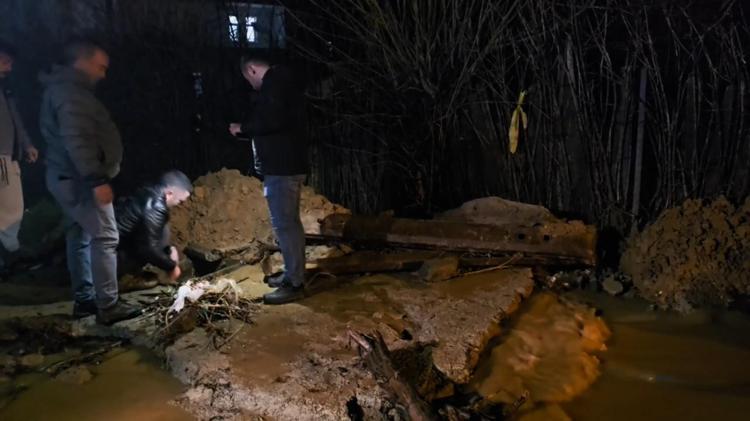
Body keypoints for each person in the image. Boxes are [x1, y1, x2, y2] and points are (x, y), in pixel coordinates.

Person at [40, 40, 140, 325]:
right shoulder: (71, 95)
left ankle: (85, 300)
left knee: (80, 235)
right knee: (106, 236)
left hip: (67, 176)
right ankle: (108, 305)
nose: (103, 74)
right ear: (81, 62)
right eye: (100, 67)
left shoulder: (63, 90)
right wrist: (96, 179)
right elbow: (78, 140)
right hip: (79, 180)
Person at [229, 55, 309, 305]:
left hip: (282, 168)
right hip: (286, 165)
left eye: (248, 79)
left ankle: (295, 282)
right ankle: (292, 274)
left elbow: (271, 120)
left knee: (286, 225)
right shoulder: (283, 83)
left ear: (252, 69)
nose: (251, 85)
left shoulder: (275, 84)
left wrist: (243, 128)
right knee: (288, 224)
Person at [0, 40, 39, 274]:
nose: (9, 67)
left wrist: (26, 144)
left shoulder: (6, 89)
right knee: (10, 207)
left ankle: (10, 256)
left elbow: (15, 118)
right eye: (5, 61)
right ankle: (11, 254)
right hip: (2, 157)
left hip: (8, 155)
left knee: (12, 205)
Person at [115, 170, 192, 287]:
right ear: (169, 193)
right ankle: (125, 279)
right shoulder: (156, 207)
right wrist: (172, 266)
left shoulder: (149, 191)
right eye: (180, 201)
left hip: (113, 244)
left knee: (163, 230)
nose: (180, 204)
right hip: (111, 253)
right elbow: (147, 248)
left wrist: (169, 250)